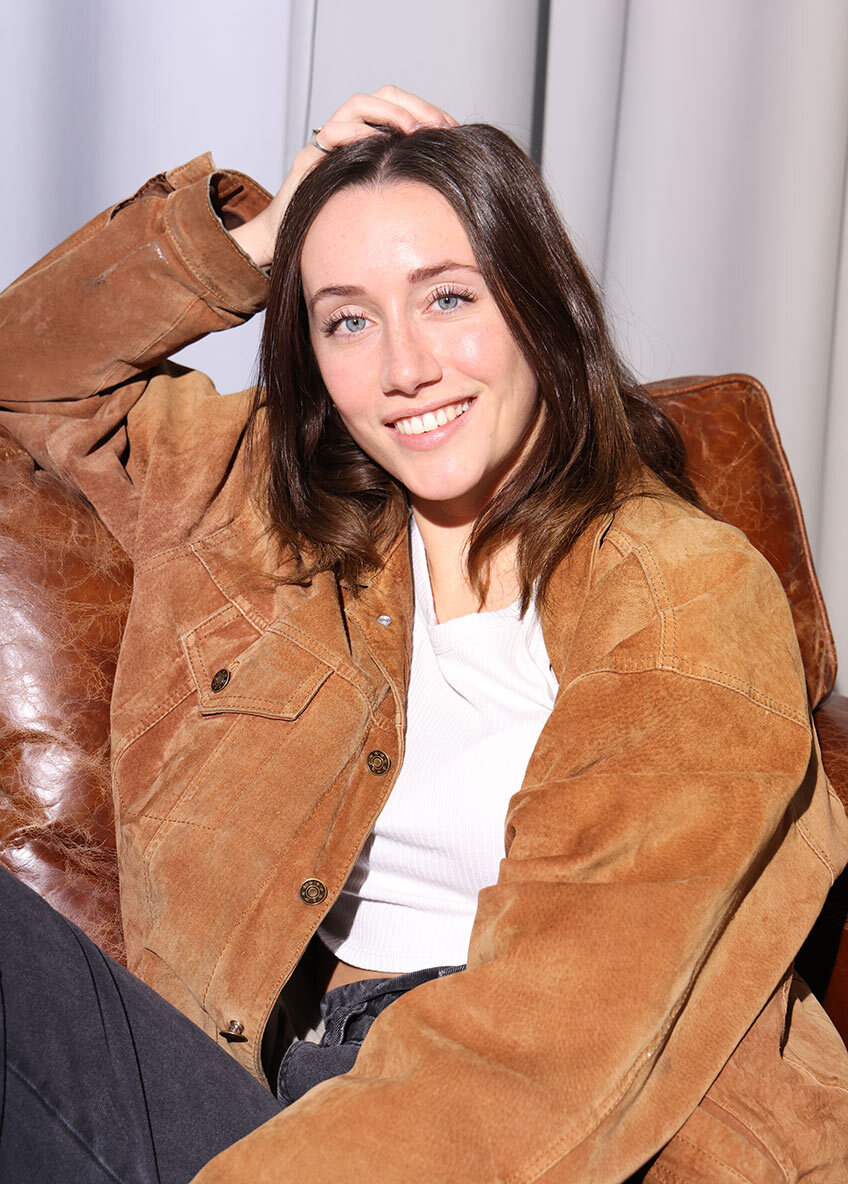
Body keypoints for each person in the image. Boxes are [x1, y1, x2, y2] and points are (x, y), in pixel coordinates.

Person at [1, 85, 847, 1183]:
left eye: (447, 298)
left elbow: (546, 1040)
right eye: (347, 319)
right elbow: (26, 374)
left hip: (536, 1122)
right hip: (272, 1090)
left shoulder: (685, 592)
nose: (406, 369)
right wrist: (266, 237)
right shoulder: (258, 506)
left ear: (539, 304)